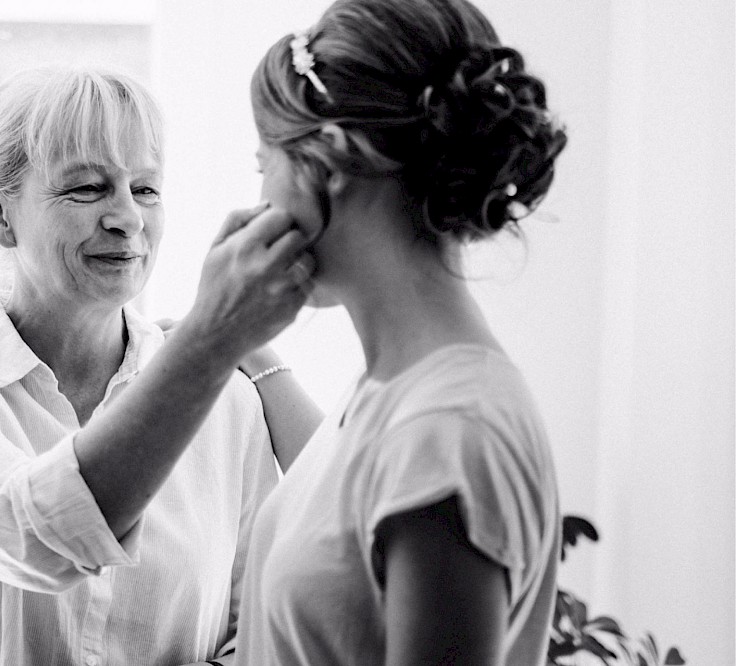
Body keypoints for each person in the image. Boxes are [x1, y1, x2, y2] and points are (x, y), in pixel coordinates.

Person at [0, 67, 321, 666]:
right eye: (87, 188)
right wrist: (211, 339)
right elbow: (37, 538)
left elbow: (258, 629)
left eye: (146, 189)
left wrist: (244, 357)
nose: (127, 217)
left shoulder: (228, 401)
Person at [236, 1, 568, 664]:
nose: (258, 202)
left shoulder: (448, 430)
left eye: (262, 165)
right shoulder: (391, 391)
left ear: (329, 160)